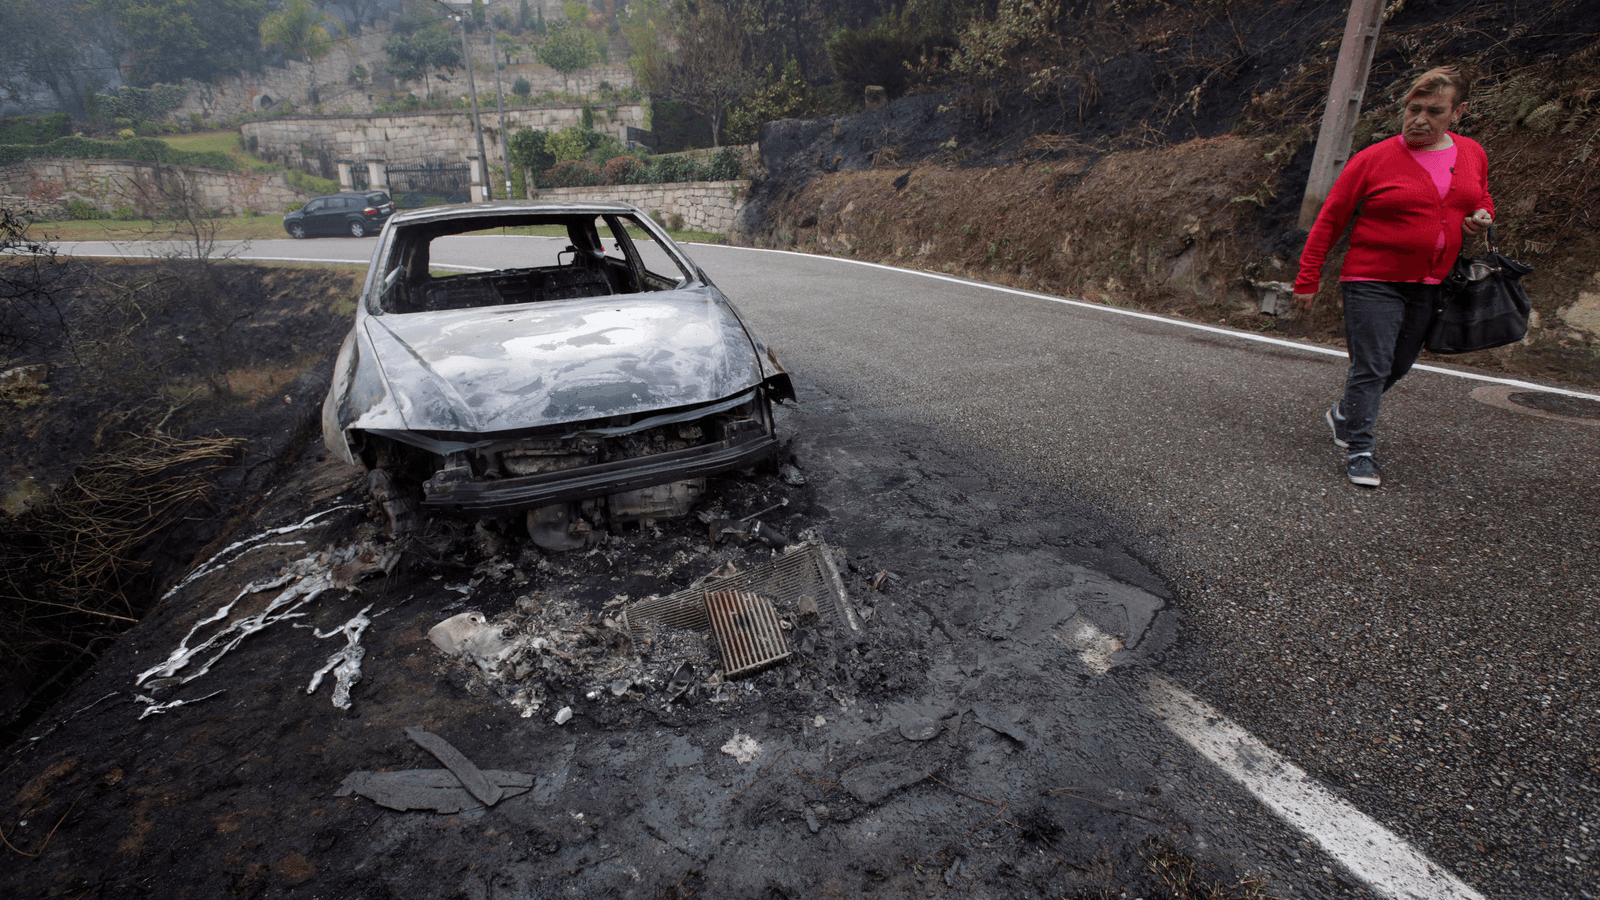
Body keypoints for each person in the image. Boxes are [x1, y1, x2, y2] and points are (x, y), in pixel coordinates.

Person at [1294, 66, 1494, 487]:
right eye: (1413, 109)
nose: (1420, 119)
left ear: (1458, 113)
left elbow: (1481, 196)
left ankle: (1345, 413)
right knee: (1373, 364)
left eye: (1434, 111)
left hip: (1431, 281)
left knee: (1400, 364)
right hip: (1372, 279)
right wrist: (1308, 279)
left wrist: (1481, 215)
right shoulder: (1374, 159)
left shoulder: (1471, 153)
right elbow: (1329, 221)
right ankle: (1360, 448)